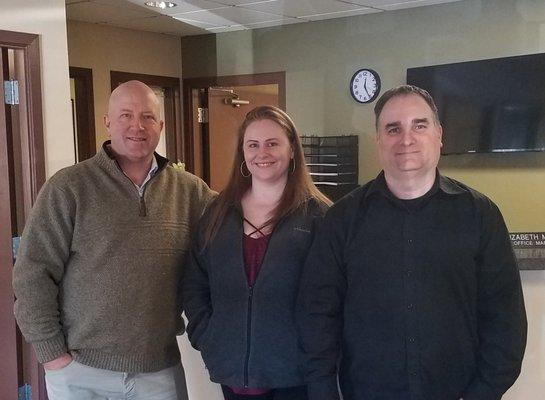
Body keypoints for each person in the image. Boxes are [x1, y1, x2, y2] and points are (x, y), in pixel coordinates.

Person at [297, 85, 527, 400]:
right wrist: (323, 391)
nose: (406, 139)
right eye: (393, 128)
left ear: (439, 134)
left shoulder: (479, 215)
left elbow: (505, 318)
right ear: (378, 139)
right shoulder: (342, 220)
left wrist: (483, 393)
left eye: (419, 125)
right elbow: (317, 313)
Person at [13, 80, 214, 400]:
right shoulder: (69, 187)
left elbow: (239, 228)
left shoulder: (191, 192)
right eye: (125, 115)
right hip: (81, 370)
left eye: (148, 117)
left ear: (161, 126)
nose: (137, 126)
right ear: (107, 122)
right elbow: (32, 273)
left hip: (158, 372)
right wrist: (51, 354)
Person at [183, 105, 331, 400]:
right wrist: (209, 337)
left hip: (296, 375)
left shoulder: (319, 217)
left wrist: (315, 349)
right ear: (243, 154)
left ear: (292, 151)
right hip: (234, 372)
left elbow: (335, 297)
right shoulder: (217, 212)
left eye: (272, 143)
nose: (261, 153)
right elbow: (193, 283)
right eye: (253, 145)